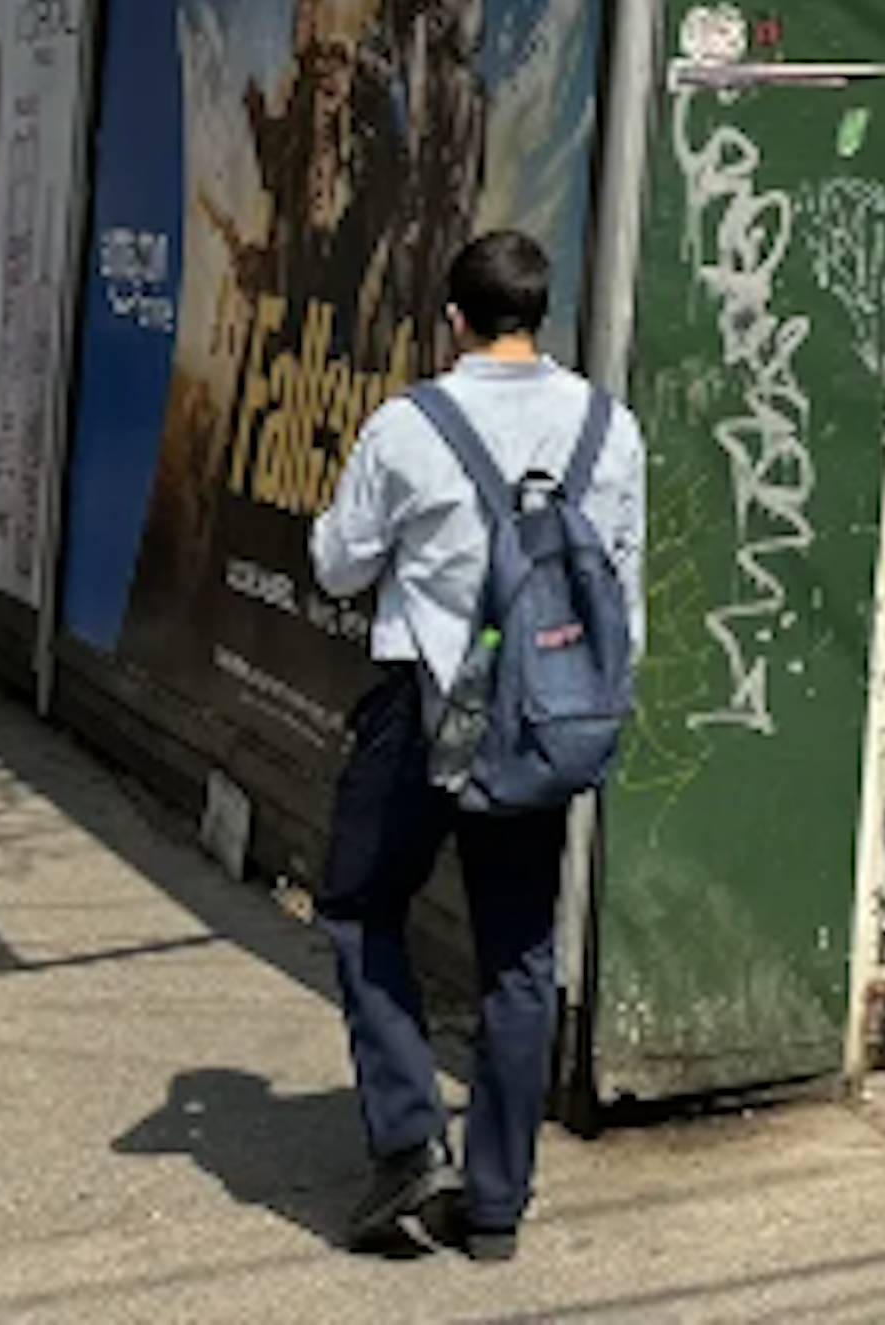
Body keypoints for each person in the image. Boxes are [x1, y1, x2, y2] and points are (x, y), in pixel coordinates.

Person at [307, 227, 646, 1262]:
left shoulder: (411, 425)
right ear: (539, 314)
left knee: (361, 906)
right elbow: (621, 590)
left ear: (453, 317)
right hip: (545, 719)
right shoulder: (608, 425)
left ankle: (411, 1137)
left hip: (427, 709)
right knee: (518, 952)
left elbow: (338, 566)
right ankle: (495, 1204)